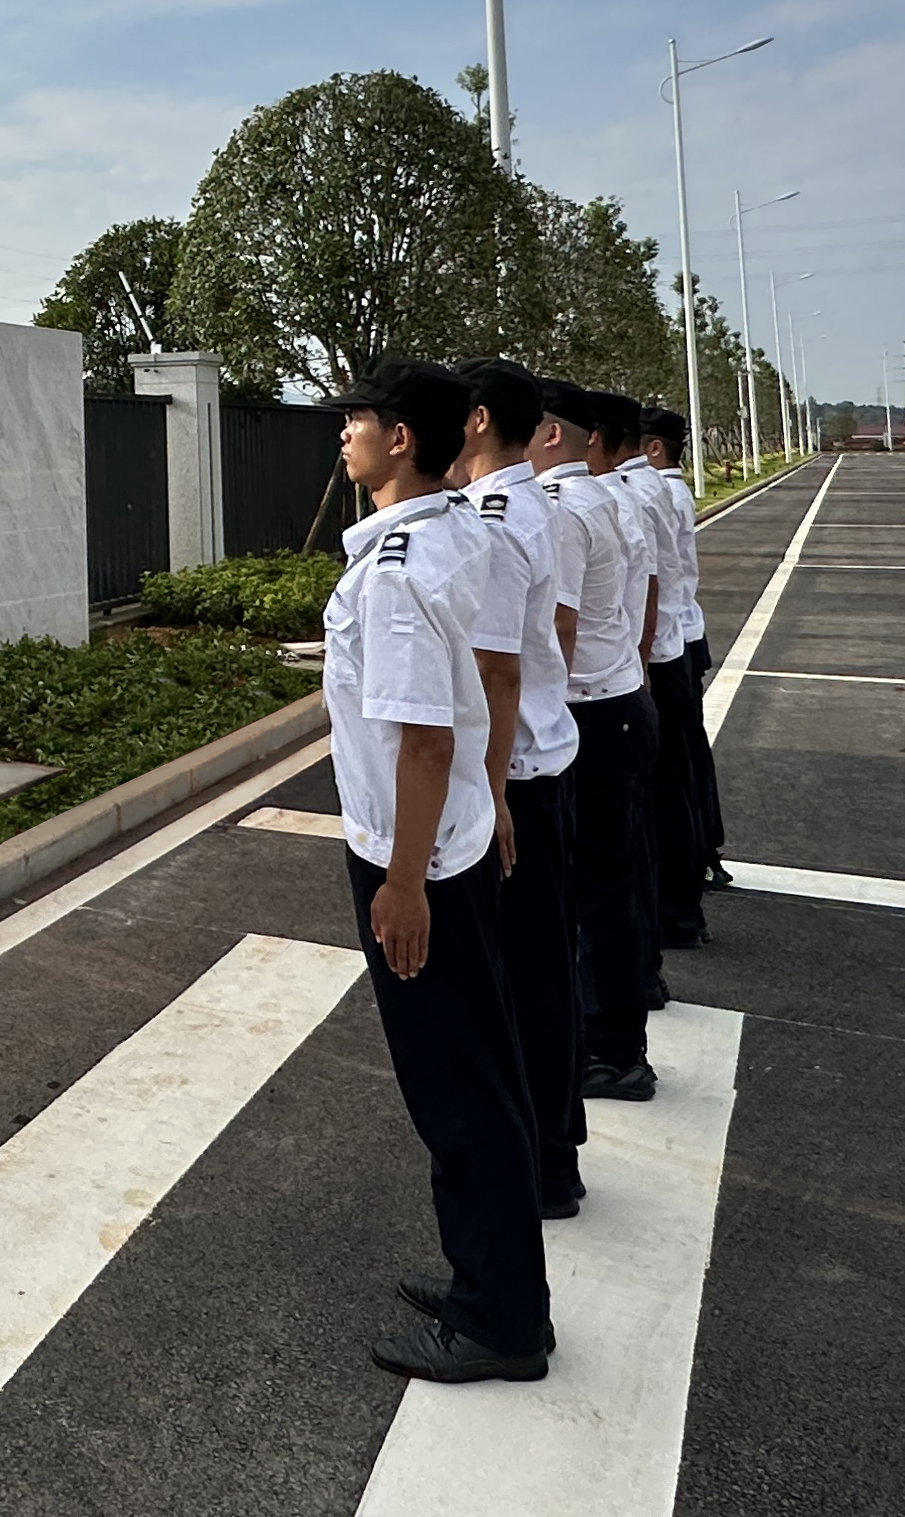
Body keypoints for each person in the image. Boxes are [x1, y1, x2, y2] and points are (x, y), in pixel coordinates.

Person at [322, 357, 553, 1385]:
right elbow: (480, 690)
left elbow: (420, 740)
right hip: (450, 836)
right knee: (482, 1076)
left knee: (456, 1094)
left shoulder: (400, 573)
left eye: (356, 420)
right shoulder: (457, 531)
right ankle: (493, 1282)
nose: (345, 435)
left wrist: (404, 884)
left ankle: (498, 1320)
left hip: (416, 856)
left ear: (401, 438)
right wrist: (488, 799)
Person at [452, 357, 586, 1218]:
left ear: (477, 420)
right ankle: (551, 1152)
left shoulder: (498, 520)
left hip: (520, 778)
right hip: (539, 764)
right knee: (542, 973)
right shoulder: (529, 505)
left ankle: (540, 1167)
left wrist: (491, 793)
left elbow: (497, 670)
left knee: (522, 983)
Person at [538, 381, 667, 1103]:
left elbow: (559, 626)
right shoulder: (608, 497)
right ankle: (629, 1009)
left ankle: (612, 1051)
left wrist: (536, 717)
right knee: (616, 879)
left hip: (590, 711)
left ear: (553, 434)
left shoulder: (563, 509)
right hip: (619, 699)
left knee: (593, 892)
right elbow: (641, 592)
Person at [637, 410, 726, 931]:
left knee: (672, 774)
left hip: (668, 645)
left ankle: (681, 894)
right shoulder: (669, 491)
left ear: (654, 448)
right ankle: (702, 854)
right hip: (681, 637)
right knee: (686, 762)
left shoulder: (656, 493)